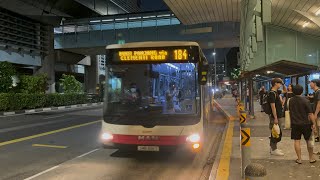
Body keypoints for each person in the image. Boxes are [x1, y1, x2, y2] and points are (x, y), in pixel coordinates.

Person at [289, 84, 317, 164]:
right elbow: (310, 114)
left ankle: (299, 159)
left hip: (295, 123)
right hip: (306, 124)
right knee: (308, 140)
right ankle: (311, 158)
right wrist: (314, 123)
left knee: (297, 140)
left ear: (293, 91)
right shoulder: (306, 100)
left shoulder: (291, 100)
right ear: (302, 91)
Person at [268, 78, 285, 156]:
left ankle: (274, 148)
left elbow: (285, 91)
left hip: (278, 115)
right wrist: (275, 118)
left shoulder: (276, 92)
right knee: (275, 133)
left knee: (277, 132)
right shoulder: (272, 93)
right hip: (276, 116)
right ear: (275, 83)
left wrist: (283, 83)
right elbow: (273, 106)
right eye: (280, 83)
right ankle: (273, 149)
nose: (281, 85)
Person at [309, 79, 320, 143]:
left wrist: (315, 114)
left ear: (315, 84)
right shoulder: (316, 92)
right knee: (317, 131)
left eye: (311, 83)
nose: (310, 84)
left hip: (318, 115)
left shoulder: (318, 91)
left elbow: (319, 104)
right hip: (317, 114)